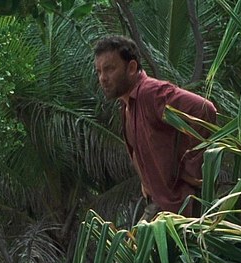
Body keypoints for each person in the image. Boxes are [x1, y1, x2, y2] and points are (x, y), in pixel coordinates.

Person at [93, 35, 217, 218]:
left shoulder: (150, 93)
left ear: (131, 68)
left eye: (110, 69)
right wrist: (146, 182)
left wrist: (190, 171)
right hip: (160, 206)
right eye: (99, 72)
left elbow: (204, 109)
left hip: (181, 206)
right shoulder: (127, 104)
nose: (103, 78)